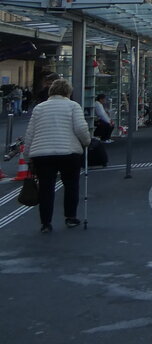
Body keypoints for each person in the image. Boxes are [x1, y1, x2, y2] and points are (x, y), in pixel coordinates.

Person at [25, 77, 91, 233]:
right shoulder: (73, 106)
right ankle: (70, 217)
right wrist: (87, 141)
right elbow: (81, 129)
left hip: (43, 154)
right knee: (71, 184)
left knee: (46, 188)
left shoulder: (39, 108)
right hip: (68, 152)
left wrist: (27, 156)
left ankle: (46, 223)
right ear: (68, 92)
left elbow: (30, 134)